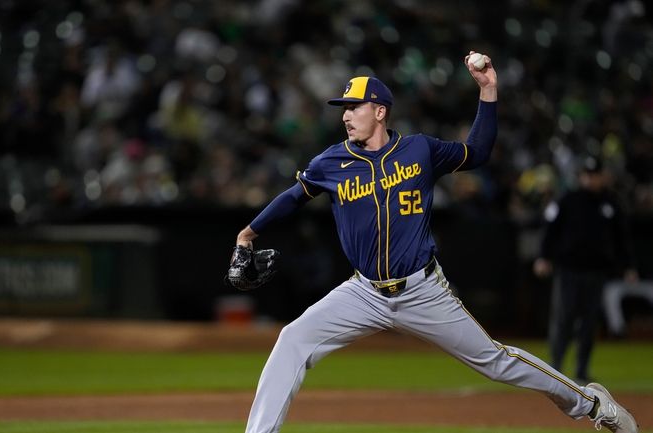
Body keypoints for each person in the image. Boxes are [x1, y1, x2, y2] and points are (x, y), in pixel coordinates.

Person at [229, 51, 638, 433]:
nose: (346, 116)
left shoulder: (419, 150)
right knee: (292, 339)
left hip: (423, 291)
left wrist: (487, 91)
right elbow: (292, 197)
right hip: (362, 293)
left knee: (496, 361)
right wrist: (248, 233)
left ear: (380, 111)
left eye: (354, 107)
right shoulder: (331, 162)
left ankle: (592, 405)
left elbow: (477, 153)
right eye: (344, 109)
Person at [534, 155, 639, 383]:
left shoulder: (611, 203)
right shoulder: (568, 200)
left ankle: (581, 371)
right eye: (587, 175)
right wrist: (543, 257)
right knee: (564, 317)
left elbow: (622, 238)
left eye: (595, 175)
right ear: (581, 176)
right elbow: (550, 230)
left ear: (603, 176)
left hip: (596, 271)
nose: (591, 180)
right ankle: (556, 369)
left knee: (589, 323)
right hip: (568, 269)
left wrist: (629, 265)